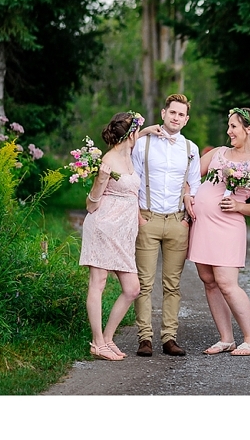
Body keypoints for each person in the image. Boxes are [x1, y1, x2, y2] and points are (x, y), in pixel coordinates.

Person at [186, 107, 250, 356]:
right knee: (209, 280)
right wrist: (187, 194)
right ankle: (226, 339)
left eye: (233, 126)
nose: (229, 131)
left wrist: (238, 206)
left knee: (226, 282)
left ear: (248, 129)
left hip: (228, 228)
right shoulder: (217, 153)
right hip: (202, 225)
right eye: (229, 126)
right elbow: (190, 175)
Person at [80, 111, 162, 361]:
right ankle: (97, 343)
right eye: (137, 130)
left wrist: (147, 130)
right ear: (130, 134)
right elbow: (91, 205)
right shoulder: (109, 160)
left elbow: (135, 135)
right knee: (98, 283)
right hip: (103, 227)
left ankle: (107, 338)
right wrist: (100, 180)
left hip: (124, 233)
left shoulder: (129, 153)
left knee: (132, 288)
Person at [132, 94, 202, 357]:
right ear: (163, 113)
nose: (176, 117)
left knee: (172, 285)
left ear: (186, 119)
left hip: (176, 222)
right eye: (172, 112)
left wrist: (186, 219)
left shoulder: (191, 149)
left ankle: (169, 338)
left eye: (181, 114)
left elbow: (194, 185)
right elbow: (133, 180)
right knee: (144, 283)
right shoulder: (144, 144)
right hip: (147, 218)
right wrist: (138, 216)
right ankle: (144, 338)